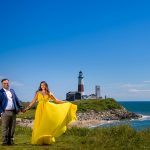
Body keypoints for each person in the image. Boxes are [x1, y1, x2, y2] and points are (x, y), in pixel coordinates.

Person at [0, 79, 23, 145]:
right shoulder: (0, 92)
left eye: (7, 83)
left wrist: (21, 107)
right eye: (5, 83)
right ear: (2, 84)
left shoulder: (12, 91)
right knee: (5, 127)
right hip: (5, 112)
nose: (6, 84)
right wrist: (1, 112)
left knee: (12, 127)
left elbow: (16, 99)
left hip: (13, 112)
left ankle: (11, 141)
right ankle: (4, 142)